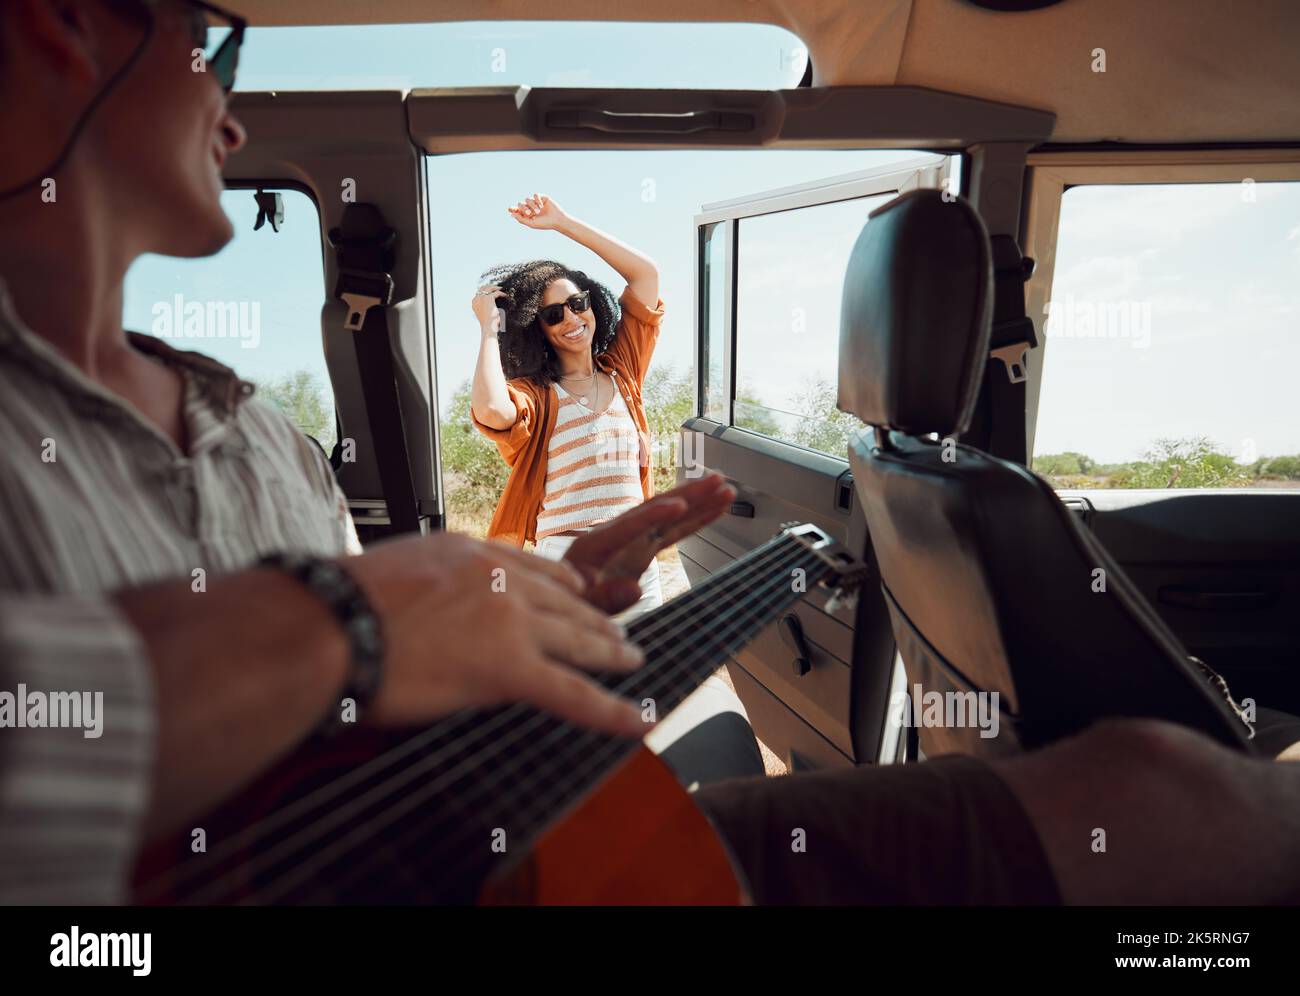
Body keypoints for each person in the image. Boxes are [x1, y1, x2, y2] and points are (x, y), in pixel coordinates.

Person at [1, 0, 1297, 908]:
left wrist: (519, 626)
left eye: (574, 304)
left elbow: (347, 731)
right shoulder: (524, 409)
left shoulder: (266, 434)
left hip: (489, 852)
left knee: (1174, 790)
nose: (229, 115)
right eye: (207, 42)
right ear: (63, 23)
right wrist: (358, 611)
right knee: (1187, 805)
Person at [471, 196, 666, 618]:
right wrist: (489, 328)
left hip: (637, 562)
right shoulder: (536, 395)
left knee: (650, 677)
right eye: (553, 314)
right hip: (565, 565)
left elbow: (645, 275)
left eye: (577, 303)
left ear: (592, 302)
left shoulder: (623, 371)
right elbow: (491, 410)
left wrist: (562, 222)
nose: (572, 318)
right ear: (535, 329)